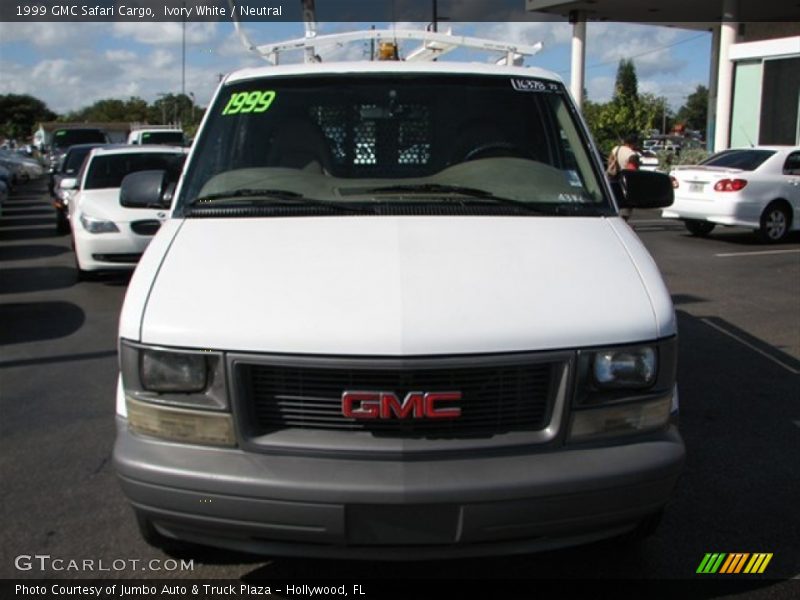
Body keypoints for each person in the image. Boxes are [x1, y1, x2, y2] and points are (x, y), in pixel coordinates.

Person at [606, 133, 641, 221]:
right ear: (634, 143)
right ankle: (623, 222)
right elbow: (632, 172)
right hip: (625, 184)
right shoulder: (632, 155)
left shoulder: (616, 149)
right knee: (625, 210)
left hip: (613, 181)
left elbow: (609, 162)